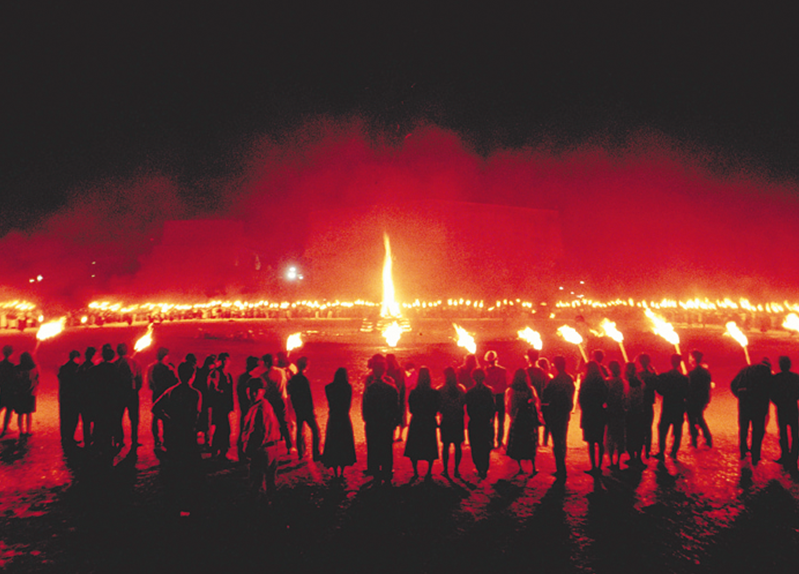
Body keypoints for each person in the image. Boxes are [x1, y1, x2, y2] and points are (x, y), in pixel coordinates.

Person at [240, 376, 282, 503]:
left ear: (262, 391)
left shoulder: (259, 409)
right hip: (272, 449)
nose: (252, 394)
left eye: (255, 391)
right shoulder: (265, 405)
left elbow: (257, 433)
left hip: (262, 451)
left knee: (256, 485)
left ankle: (257, 514)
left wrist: (248, 450)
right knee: (270, 483)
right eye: (250, 391)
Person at [151, 361, 202, 461]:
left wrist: (168, 419)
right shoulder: (195, 393)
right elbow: (196, 414)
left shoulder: (171, 391)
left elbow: (155, 408)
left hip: (172, 434)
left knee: (172, 464)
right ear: (193, 375)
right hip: (188, 435)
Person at [361, 354, 400, 483]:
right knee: (387, 447)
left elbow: (365, 406)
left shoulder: (370, 388)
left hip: (373, 423)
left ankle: (375, 471)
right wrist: (394, 421)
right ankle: (387, 471)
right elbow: (395, 406)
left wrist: (367, 419)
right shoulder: (391, 388)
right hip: (386, 422)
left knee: (373, 447)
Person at [730, 357, 773, 465]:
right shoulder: (767, 372)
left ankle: (743, 450)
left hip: (744, 403)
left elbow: (733, 384)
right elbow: (772, 388)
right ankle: (755, 453)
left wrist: (740, 396)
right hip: (759, 404)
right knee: (757, 430)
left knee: (743, 428)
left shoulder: (745, 369)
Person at [404, 366, 440, 480]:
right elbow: (437, 407)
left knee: (414, 446)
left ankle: (416, 471)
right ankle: (429, 472)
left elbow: (411, 408)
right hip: (429, 420)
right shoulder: (434, 392)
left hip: (417, 420)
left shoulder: (414, 392)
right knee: (429, 446)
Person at [543, 356, 575, 480]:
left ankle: (560, 468)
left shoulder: (555, 381)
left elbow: (546, 395)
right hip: (565, 412)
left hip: (555, 412)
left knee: (557, 441)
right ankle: (562, 466)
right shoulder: (569, 378)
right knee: (563, 438)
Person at [321, 368, 357, 478]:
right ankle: (342, 470)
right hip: (344, 417)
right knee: (343, 443)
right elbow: (348, 404)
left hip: (333, 418)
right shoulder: (348, 388)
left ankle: (335, 469)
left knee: (334, 442)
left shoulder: (328, 388)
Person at [505, 368, 541, 475]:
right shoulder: (529, 389)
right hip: (527, 418)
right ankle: (533, 467)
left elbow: (509, 405)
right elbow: (536, 402)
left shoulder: (512, 390)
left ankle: (520, 467)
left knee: (518, 442)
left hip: (517, 419)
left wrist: (512, 417)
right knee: (530, 442)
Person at [654, 354, 689, 460]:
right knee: (677, 430)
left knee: (663, 429)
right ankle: (674, 451)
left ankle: (661, 451)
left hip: (668, 406)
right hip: (678, 406)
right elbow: (687, 394)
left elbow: (659, 389)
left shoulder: (666, 376)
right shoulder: (684, 378)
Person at [286, 356, 321, 461]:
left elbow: (291, 393)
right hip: (306, 409)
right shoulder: (304, 379)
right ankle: (316, 453)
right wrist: (311, 410)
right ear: (306, 366)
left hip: (298, 408)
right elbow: (308, 396)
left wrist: (295, 406)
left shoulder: (293, 379)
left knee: (299, 431)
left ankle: (300, 453)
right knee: (316, 431)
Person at [578, 361, 607, 475]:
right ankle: (599, 466)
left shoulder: (586, 382)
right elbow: (605, 395)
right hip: (599, 412)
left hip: (589, 413)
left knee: (590, 442)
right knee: (600, 441)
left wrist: (585, 408)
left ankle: (593, 466)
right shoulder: (602, 382)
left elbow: (581, 398)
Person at [466, 368, 495, 479]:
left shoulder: (470, 392)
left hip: (474, 422)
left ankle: (478, 467)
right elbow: (492, 407)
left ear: (473, 377)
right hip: (485, 422)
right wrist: (489, 417)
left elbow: (469, 408)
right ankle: (485, 467)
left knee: (475, 445)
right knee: (485, 445)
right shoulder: (489, 391)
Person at [771, 356, 799, 472]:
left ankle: (784, 455)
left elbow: (771, 393)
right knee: (795, 433)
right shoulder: (796, 377)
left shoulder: (776, 378)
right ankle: (794, 456)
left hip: (782, 408)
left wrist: (777, 402)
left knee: (782, 433)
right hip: (792, 407)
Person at [439, 366, 466, 479]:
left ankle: (445, 469)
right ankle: (456, 470)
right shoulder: (461, 389)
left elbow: (439, 406)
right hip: (458, 419)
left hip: (446, 419)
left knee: (445, 445)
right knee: (457, 445)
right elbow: (464, 403)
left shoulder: (441, 389)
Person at [260, 354, 292, 452]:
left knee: (271, 423)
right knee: (284, 423)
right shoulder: (282, 372)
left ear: (266, 363)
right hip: (282, 399)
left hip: (271, 402)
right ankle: (289, 446)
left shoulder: (264, 376)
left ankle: (272, 444)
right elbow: (288, 380)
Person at [148, 347, 178, 450]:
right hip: (165, 395)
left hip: (156, 394)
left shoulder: (151, 367)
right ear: (165, 356)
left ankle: (157, 439)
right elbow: (174, 382)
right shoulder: (168, 368)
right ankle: (165, 439)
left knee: (155, 417)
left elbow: (149, 382)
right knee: (166, 417)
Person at [115, 343, 143, 449]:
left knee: (118, 417)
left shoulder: (115, 364)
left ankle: (119, 439)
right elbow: (139, 378)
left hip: (120, 394)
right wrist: (136, 389)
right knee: (134, 418)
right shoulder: (135, 362)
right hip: (132, 393)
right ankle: (134, 440)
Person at [209, 352, 234, 459]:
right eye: (223, 360)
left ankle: (219, 450)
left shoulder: (228, 375)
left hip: (225, 407)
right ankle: (219, 450)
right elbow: (212, 388)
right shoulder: (217, 373)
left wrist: (231, 406)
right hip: (219, 406)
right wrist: (220, 392)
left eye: (226, 360)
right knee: (223, 428)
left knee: (223, 428)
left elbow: (230, 392)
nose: (225, 362)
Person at [687, 350, 713, 448]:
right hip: (702, 399)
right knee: (699, 418)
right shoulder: (705, 372)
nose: (689, 359)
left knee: (694, 419)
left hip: (693, 399)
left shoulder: (693, 373)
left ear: (693, 359)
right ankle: (705, 438)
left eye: (690, 357)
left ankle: (696, 439)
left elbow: (689, 387)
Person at [605, 360, 627, 469]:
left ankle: (611, 461)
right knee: (619, 436)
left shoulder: (608, 382)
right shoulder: (622, 382)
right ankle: (617, 460)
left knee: (610, 436)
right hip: (620, 410)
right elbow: (625, 395)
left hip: (610, 410)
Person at [236, 356, 260, 460]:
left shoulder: (242, 377)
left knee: (244, 430)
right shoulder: (250, 379)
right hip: (248, 408)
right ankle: (243, 454)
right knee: (247, 431)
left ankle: (242, 453)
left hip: (244, 407)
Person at [57, 350, 82, 450]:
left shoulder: (63, 368)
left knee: (64, 418)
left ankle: (64, 437)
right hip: (73, 397)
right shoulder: (76, 368)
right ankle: (70, 437)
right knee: (73, 418)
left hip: (64, 396)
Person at [484, 350, 508, 448]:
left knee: (491, 421)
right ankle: (498, 441)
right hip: (499, 397)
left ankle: (492, 441)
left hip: (491, 397)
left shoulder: (485, 371)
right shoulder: (503, 370)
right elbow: (505, 384)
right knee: (499, 421)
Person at [625, 362, 647, 467]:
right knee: (638, 435)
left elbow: (627, 398)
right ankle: (637, 457)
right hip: (639, 412)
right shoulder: (640, 383)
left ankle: (634, 457)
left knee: (631, 435)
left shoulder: (627, 383)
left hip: (631, 412)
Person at [637, 353, 658, 458]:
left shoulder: (639, 374)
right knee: (647, 428)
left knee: (641, 427)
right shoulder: (651, 374)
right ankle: (647, 450)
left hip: (641, 403)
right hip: (647, 403)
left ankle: (642, 450)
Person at [13, 352, 39, 438]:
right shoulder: (33, 368)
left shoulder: (16, 368)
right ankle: (28, 430)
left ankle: (21, 430)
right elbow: (37, 379)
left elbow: (14, 380)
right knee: (28, 413)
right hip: (30, 393)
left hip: (19, 393)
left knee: (20, 413)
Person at [194, 354, 217, 449]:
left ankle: (207, 441)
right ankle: (203, 441)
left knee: (207, 422)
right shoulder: (202, 374)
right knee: (201, 421)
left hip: (207, 402)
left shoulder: (212, 375)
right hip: (203, 402)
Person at [526, 349, 548, 445]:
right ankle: (537, 441)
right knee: (537, 419)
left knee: (530, 419)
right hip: (539, 398)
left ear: (529, 358)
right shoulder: (542, 372)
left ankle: (532, 440)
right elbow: (546, 385)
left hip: (529, 399)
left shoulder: (526, 371)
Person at [76, 347, 97, 447]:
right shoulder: (94, 368)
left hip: (83, 397)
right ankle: (94, 438)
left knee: (86, 421)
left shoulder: (80, 368)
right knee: (95, 419)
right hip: (92, 398)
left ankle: (87, 439)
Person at [386, 354, 407, 441]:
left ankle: (393, 435)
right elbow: (403, 383)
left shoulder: (387, 371)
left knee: (392, 415)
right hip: (401, 394)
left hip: (391, 396)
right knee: (401, 413)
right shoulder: (400, 370)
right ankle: (400, 435)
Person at [0, 345, 16, 437]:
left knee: (1, 406)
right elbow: (13, 378)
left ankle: (6, 428)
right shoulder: (11, 366)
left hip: (2, 389)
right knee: (9, 409)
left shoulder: (0, 365)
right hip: (9, 390)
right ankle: (5, 428)